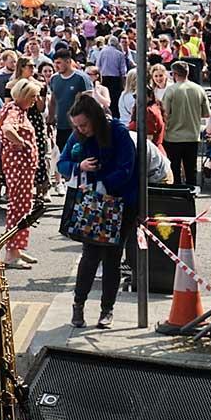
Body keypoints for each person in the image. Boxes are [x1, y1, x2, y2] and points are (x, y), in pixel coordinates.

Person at [58, 92, 137, 329]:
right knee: (90, 256)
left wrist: (104, 184)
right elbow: (61, 163)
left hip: (120, 203)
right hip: (90, 204)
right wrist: (77, 166)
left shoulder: (119, 132)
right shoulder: (77, 136)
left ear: (95, 117)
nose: (80, 129)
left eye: (83, 124)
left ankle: (107, 310)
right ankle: (78, 304)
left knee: (112, 257)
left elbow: (127, 168)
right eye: (76, 126)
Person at [0, 80, 43, 268]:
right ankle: (11, 253)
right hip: (19, 168)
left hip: (22, 168)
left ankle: (16, 248)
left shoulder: (17, 110)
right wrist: (22, 143)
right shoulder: (14, 110)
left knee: (23, 207)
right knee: (18, 208)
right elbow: (7, 129)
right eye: (32, 96)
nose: (35, 100)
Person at [160, 62, 207, 187]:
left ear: (174, 74)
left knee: (174, 171)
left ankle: (176, 198)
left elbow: (165, 113)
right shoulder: (199, 89)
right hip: (192, 136)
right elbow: (206, 113)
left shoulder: (171, 90)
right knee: (191, 170)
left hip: (173, 137)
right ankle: (190, 197)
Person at [46, 52, 94, 152]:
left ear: (68, 62)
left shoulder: (81, 78)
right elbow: (53, 100)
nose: (56, 66)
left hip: (78, 126)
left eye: (59, 63)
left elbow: (90, 102)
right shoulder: (54, 79)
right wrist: (50, 120)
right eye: (55, 63)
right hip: (61, 125)